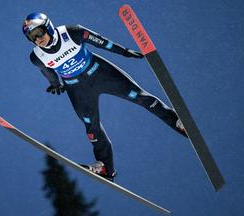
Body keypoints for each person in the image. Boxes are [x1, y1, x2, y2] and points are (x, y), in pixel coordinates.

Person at [22, 12, 187, 181]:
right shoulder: (37, 57)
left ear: (48, 26)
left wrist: (124, 52)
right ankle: (105, 167)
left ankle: (177, 122)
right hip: (77, 88)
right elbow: (47, 72)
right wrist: (55, 84)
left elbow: (101, 42)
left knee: (140, 97)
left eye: (38, 33)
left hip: (100, 73)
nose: (37, 39)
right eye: (31, 37)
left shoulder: (72, 32)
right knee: (91, 127)